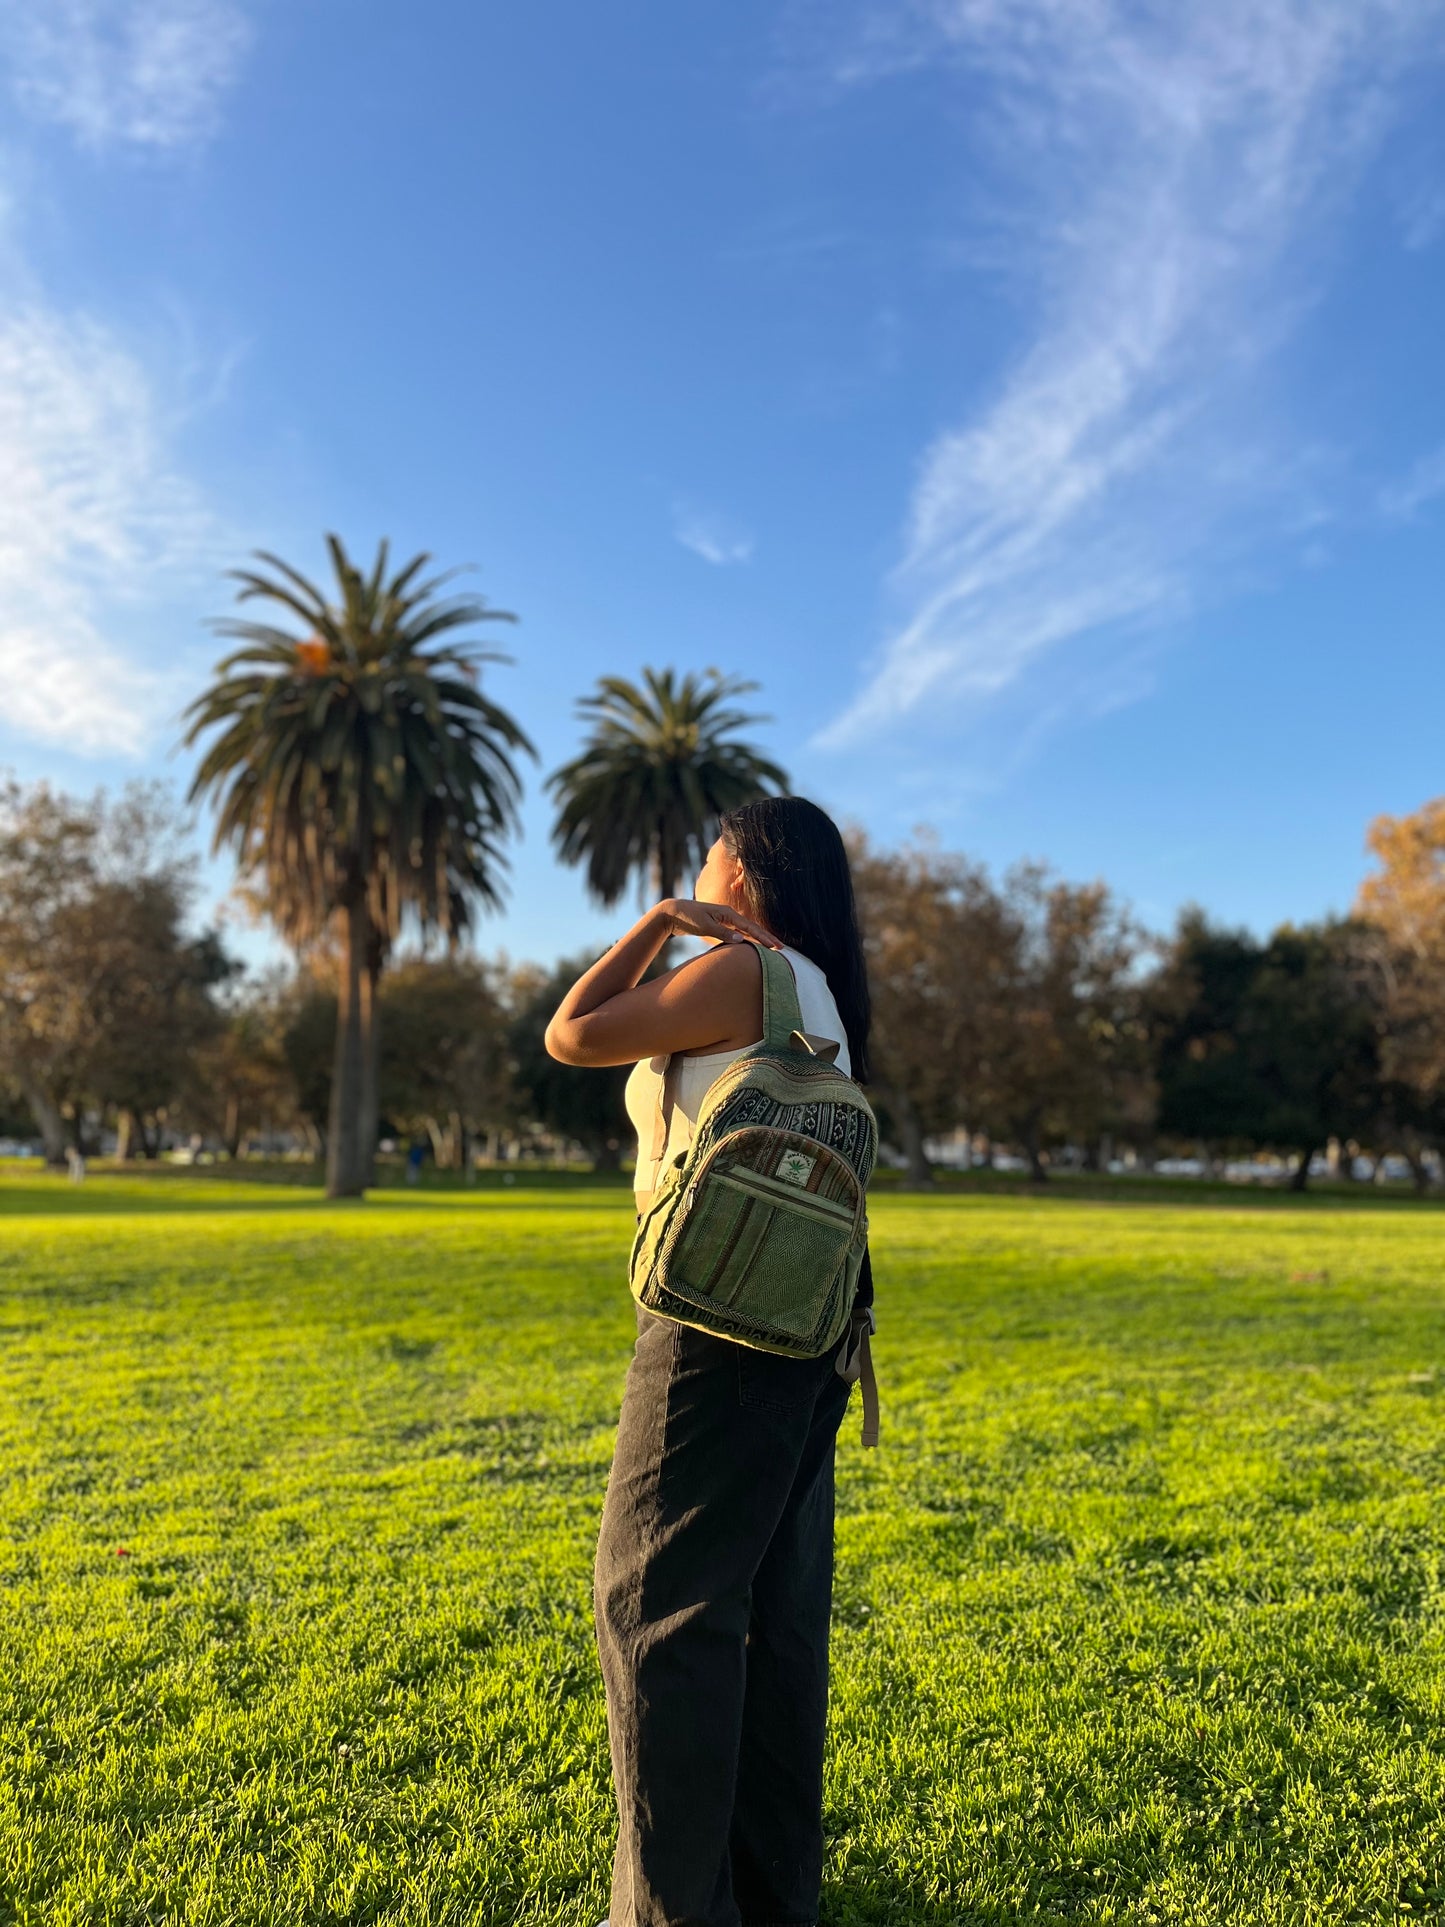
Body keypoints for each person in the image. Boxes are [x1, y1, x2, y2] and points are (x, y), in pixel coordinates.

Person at [545, 795, 873, 1927]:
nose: (696, 871)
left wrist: (650, 924)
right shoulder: (823, 991)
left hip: (717, 1322)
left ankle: (669, 1914)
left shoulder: (742, 971)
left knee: (654, 1604)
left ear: (741, 868)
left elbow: (573, 1034)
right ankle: (768, 1895)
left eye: (705, 858)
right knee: (769, 1618)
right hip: (812, 1319)